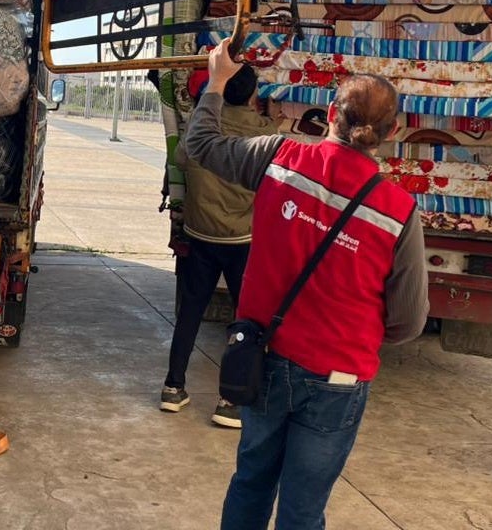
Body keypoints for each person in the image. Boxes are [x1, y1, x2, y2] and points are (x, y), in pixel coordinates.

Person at [184, 38, 428, 530]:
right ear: (393, 132)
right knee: (303, 508)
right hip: (339, 376)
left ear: (330, 115)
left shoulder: (279, 158)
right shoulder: (399, 212)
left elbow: (201, 144)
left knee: (251, 480)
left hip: (266, 358)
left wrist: (217, 81)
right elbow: (408, 322)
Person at [160, 63, 278, 428]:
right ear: (253, 95)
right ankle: (229, 400)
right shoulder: (267, 134)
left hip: (200, 234)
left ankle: (173, 387)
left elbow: (180, 159)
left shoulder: (201, 129)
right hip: (243, 240)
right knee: (245, 321)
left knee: (190, 313)